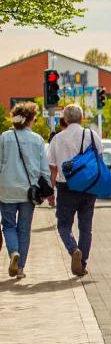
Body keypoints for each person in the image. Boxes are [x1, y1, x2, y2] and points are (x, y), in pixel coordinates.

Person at [47, 104, 103, 276]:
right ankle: (83, 263)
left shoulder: (57, 139)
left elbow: (53, 168)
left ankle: (73, 250)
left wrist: (51, 192)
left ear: (64, 119)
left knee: (64, 225)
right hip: (88, 186)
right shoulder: (92, 135)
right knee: (86, 227)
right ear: (82, 117)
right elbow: (100, 160)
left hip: (66, 187)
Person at [0, 103, 50, 279]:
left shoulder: (4, 137)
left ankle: (13, 252)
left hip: (6, 189)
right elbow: (44, 169)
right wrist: (48, 190)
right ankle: (20, 269)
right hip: (30, 191)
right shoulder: (37, 140)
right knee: (24, 229)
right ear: (30, 120)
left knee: (8, 225)